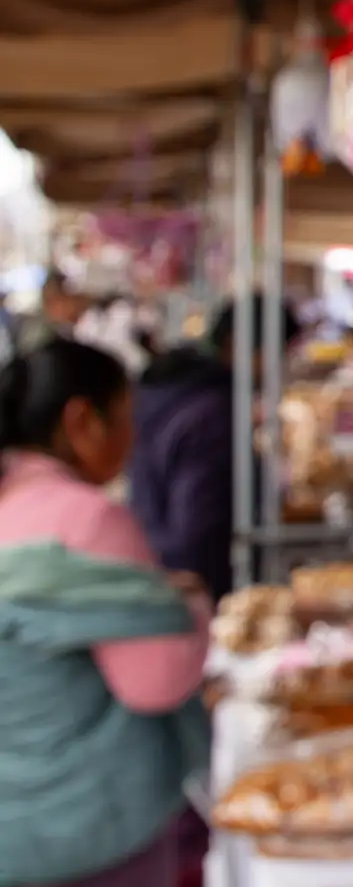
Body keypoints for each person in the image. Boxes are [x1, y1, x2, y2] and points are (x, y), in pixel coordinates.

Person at [0, 337, 212, 887]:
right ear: (81, 421)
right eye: (124, 418)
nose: (133, 437)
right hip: (87, 823)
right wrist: (187, 605)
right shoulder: (87, 519)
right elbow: (156, 681)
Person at [127, 295, 300, 603]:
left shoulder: (179, 390)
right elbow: (199, 529)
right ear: (239, 344)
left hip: (157, 566)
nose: (279, 368)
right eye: (276, 354)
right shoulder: (213, 414)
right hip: (191, 589)